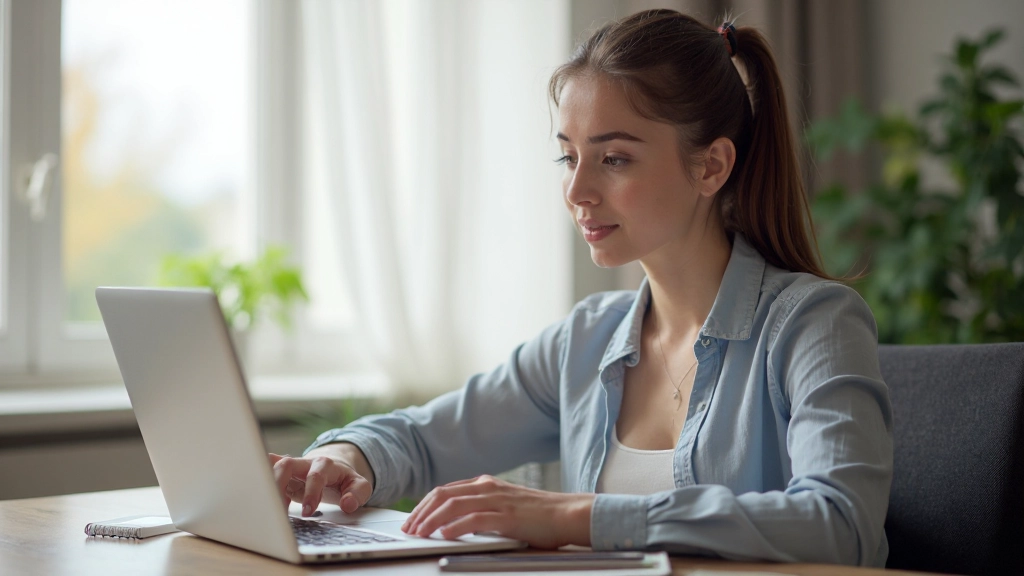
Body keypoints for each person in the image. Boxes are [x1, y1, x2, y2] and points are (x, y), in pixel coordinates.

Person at [269, 9, 893, 567]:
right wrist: (348, 457)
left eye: (614, 158)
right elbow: (423, 437)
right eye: (568, 157)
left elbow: (841, 524)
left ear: (711, 165)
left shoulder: (815, 323)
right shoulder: (587, 339)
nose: (577, 191)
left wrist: (573, 516)